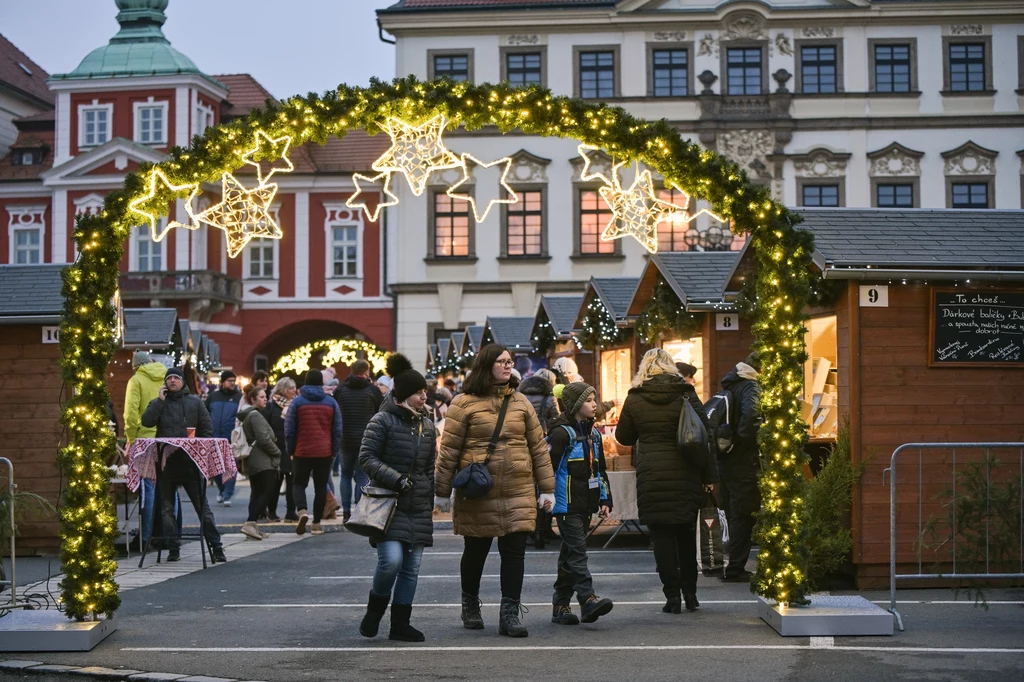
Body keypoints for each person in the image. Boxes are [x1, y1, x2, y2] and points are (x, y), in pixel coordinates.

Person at [435, 344, 555, 638]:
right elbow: (449, 450)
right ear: (487, 365)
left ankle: (509, 613)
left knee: (514, 553)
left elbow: (538, 448)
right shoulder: (463, 403)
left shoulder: (521, 402)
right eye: (501, 361)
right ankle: (470, 604)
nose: (507, 365)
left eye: (510, 361)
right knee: (476, 550)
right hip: (479, 490)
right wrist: (441, 490)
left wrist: (548, 488)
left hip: (518, 488)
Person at [614, 349, 717, 613]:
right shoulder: (686, 393)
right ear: (671, 367)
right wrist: (709, 476)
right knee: (685, 537)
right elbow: (706, 437)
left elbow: (624, 437)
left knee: (661, 539)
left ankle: (672, 598)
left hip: (652, 475)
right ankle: (691, 595)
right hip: (685, 473)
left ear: (644, 369)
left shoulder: (635, 398)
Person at [358, 354, 437, 642]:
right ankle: (375, 610)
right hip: (387, 503)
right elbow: (366, 457)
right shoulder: (382, 421)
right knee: (390, 561)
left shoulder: (426, 425)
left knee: (411, 567)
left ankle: (400, 624)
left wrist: (430, 497)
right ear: (404, 395)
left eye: (425, 391)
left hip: (417, 505)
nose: (424, 396)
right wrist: (396, 478)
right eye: (419, 393)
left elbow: (429, 466)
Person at [141, 367, 226, 563]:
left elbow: (207, 429)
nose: (172, 381)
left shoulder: (195, 402)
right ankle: (173, 548)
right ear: (165, 383)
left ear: (182, 382)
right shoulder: (159, 403)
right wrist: (159, 402)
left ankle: (217, 547)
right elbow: (146, 422)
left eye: (175, 378)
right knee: (167, 510)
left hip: (191, 463)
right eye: (169, 378)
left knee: (202, 508)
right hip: (167, 464)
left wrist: (200, 451)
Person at [547, 382, 614, 626]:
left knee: (569, 555)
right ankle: (588, 599)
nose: (594, 404)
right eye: (588, 400)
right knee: (578, 552)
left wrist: (605, 499)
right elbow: (548, 470)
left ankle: (560, 605)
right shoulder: (561, 434)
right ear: (576, 405)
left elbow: (599, 470)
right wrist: (546, 496)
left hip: (586, 505)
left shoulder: (594, 434)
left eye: (595, 399)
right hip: (566, 506)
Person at [717, 352, 763, 583]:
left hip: (726, 459)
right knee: (743, 514)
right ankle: (735, 568)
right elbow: (751, 419)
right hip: (742, 460)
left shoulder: (732, 384)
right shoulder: (751, 387)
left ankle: (727, 563)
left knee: (733, 511)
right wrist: (748, 443)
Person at [285, 369, 342, 535]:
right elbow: (337, 430)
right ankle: (316, 524)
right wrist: (334, 451)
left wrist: (291, 449)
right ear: (322, 383)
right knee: (320, 487)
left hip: (302, 451)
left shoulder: (297, 402)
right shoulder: (331, 403)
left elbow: (289, 429)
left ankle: (302, 511)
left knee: (298, 483)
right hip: (324, 452)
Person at [123, 350, 170, 547]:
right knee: (168, 489)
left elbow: (131, 413)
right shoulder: (166, 377)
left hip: (145, 441)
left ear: (136, 366)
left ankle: (145, 537)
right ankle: (168, 534)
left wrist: (131, 438)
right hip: (167, 440)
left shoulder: (136, 380)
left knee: (147, 489)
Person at [336, 359, 385, 523]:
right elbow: (381, 413)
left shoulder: (341, 389)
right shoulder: (372, 390)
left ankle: (345, 512)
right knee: (362, 476)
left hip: (345, 439)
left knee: (345, 475)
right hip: (366, 439)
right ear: (366, 372)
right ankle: (358, 510)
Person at [237, 384, 281, 540]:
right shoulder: (255, 415)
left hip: (254, 459)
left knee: (257, 493)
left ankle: (253, 527)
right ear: (253, 399)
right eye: (261, 397)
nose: (265, 400)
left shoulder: (250, 415)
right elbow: (263, 438)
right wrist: (277, 452)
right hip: (262, 459)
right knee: (267, 491)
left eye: (265, 397)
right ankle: (250, 523)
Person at [207, 370, 242, 506]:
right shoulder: (213, 397)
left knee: (231, 466)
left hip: (231, 437)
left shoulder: (239, 397)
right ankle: (222, 490)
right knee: (216, 467)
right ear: (223, 382)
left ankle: (228, 494)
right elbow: (205, 414)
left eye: (234, 381)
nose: (232, 383)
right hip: (214, 437)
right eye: (229, 381)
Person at [265, 377, 297, 521]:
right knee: (275, 483)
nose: (294, 391)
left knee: (292, 482)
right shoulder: (271, 406)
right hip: (276, 448)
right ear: (283, 390)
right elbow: (266, 426)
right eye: (291, 388)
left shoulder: (296, 404)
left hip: (291, 447)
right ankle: (271, 511)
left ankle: (291, 511)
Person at [518, 368, 560, 434]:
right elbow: (556, 420)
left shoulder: (520, 395)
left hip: (522, 433)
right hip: (541, 435)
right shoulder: (550, 398)